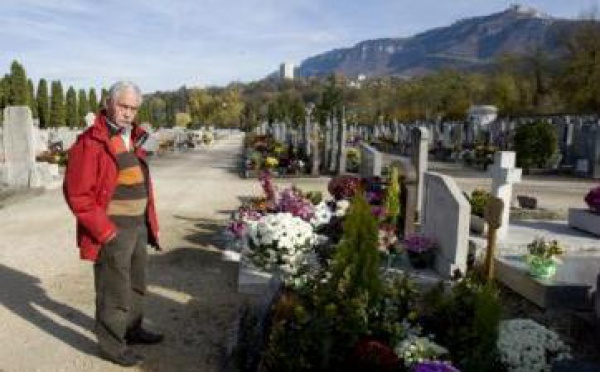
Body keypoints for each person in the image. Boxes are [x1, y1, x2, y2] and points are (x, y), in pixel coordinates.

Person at [63, 81, 163, 367]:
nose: (128, 113)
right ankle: (112, 346)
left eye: (133, 108)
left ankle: (132, 330)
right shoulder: (90, 142)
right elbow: (78, 195)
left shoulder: (134, 136)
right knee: (113, 290)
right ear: (109, 103)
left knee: (136, 283)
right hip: (112, 228)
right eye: (123, 106)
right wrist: (104, 231)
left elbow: (141, 184)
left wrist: (150, 222)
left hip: (138, 225)